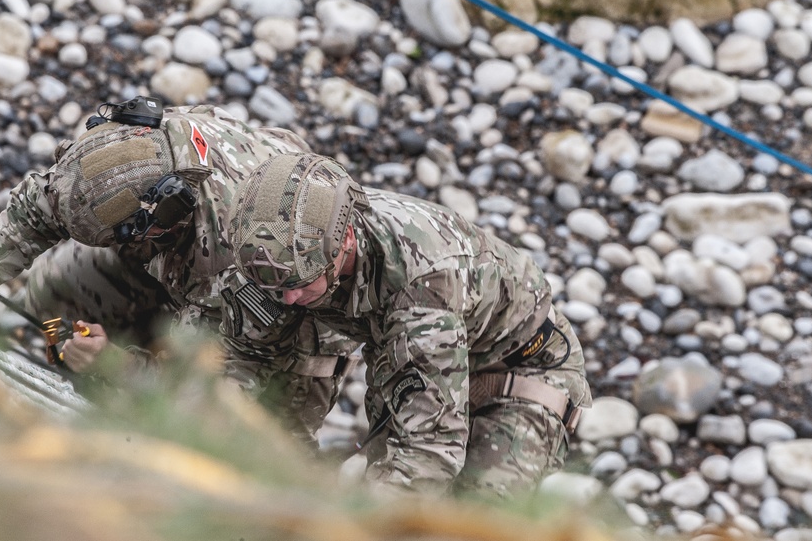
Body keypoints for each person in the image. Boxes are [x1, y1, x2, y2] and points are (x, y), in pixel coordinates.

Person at [0, 97, 356, 435]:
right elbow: (37, 209)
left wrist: (113, 364)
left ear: (158, 220)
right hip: (183, 253)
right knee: (58, 286)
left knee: (217, 430)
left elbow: (204, 379)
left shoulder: (233, 262)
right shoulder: (130, 151)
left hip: (289, 314)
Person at [214, 152, 592, 497]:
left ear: (343, 241)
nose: (288, 299)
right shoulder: (272, 255)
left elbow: (429, 448)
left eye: (298, 285)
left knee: (474, 517)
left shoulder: (422, 288)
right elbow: (248, 355)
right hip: (409, 356)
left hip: (517, 369)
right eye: (272, 286)